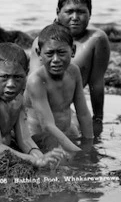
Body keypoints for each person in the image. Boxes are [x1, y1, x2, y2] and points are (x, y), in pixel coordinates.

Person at [30, 0, 110, 136]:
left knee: (78, 131)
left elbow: (97, 82)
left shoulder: (96, 39)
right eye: (69, 11)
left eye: (81, 12)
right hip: (41, 108)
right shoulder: (44, 41)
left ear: (90, 13)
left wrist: (98, 119)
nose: (75, 18)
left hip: (66, 106)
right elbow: (33, 86)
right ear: (58, 12)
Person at [25, 23, 93, 154]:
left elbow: (83, 113)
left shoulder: (74, 71)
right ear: (39, 54)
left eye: (61, 53)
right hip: (40, 137)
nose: (56, 59)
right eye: (50, 54)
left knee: (79, 134)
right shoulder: (36, 81)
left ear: (73, 51)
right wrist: (78, 151)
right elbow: (47, 125)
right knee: (62, 165)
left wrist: (89, 143)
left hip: (65, 131)